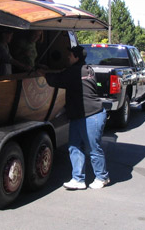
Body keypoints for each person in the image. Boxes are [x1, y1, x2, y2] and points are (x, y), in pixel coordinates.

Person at [38, 45, 110, 190]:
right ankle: (78, 179)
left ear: (76, 57)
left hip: (91, 115)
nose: (67, 58)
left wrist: (43, 73)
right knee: (74, 146)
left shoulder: (74, 72)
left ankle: (102, 177)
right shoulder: (87, 69)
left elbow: (56, 80)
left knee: (93, 148)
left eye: (70, 56)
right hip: (79, 115)